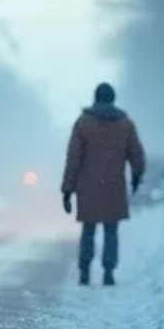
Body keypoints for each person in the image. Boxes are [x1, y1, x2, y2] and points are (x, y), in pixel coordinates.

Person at [60, 82, 147, 286]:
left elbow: (74, 159)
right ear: (113, 99)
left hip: (88, 187)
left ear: (96, 98)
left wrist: (67, 190)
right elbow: (137, 155)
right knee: (111, 231)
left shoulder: (83, 123)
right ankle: (108, 271)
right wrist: (136, 176)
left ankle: (85, 271)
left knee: (88, 230)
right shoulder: (125, 124)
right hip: (114, 187)